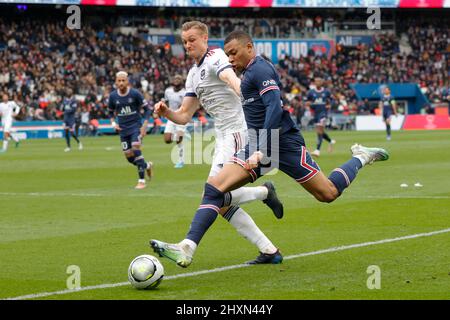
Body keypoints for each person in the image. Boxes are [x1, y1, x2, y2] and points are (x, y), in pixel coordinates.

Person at [150, 30, 390, 268]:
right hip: (257, 143)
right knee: (214, 190)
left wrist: (261, 150)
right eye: (228, 54)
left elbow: (274, 108)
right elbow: (195, 109)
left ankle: (360, 156)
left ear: (250, 48)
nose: (230, 59)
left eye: (234, 53)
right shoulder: (238, 74)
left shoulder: (260, 70)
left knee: (327, 193)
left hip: (282, 142)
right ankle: (188, 247)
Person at [151, 21, 284, 267]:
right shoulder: (192, 74)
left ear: (204, 38)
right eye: (184, 41)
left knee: (212, 195)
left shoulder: (216, 57)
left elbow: (232, 80)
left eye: (192, 39)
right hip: (223, 136)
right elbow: (183, 115)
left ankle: (187, 247)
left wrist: (246, 97)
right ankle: (269, 247)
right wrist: (166, 111)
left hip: (238, 132)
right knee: (219, 203)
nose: (188, 44)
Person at [108, 71, 153, 190]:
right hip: (123, 130)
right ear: (116, 82)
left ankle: (141, 181)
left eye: (123, 80)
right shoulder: (113, 96)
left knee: (135, 149)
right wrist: (113, 123)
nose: (121, 83)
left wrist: (144, 125)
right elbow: (110, 111)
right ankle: (147, 165)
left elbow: (147, 109)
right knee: (129, 157)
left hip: (135, 127)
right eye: (119, 81)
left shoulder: (135, 94)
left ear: (127, 82)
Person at [307, 76, 336, 157]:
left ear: (322, 82)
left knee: (319, 130)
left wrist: (330, 105)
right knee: (320, 132)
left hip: (323, 113)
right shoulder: (311, 92)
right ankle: (330, 141)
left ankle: (317, 150)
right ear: (314, 83)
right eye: (316, 81)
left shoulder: (326, 92)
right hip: (316, 114)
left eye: (319, 81)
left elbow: (333, 99)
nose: (317, 83)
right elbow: (307, 101)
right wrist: (308, 104)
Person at [162, 74, 187, 168]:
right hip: (171, 116)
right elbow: (166, 102)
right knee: (167, 140)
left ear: (182, 82)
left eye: (179, 79)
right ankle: (178, 135)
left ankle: (181, 161)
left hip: (181, 116)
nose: (176, 80)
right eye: (175, 78)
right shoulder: (168, 91)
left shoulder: (185, 93)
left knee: (179, 139)